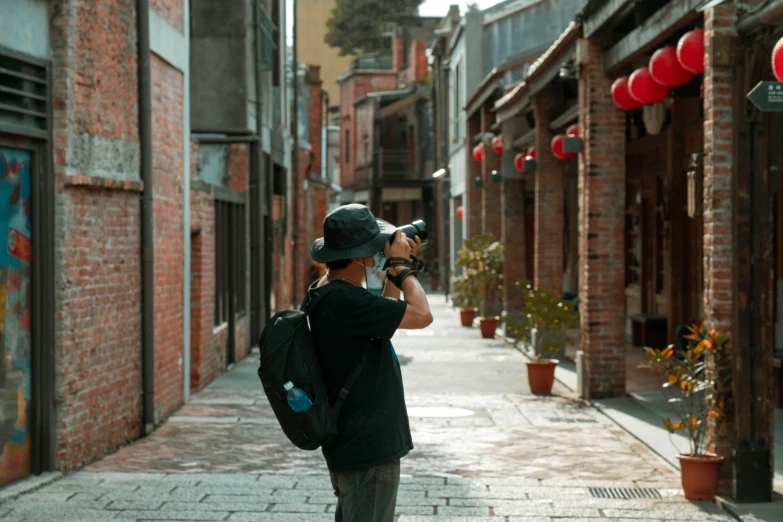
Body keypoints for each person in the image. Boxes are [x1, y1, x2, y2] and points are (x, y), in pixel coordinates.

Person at [305, 203, 433, 522]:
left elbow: (382, 321)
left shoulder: (328, 294)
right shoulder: (346, 301)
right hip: (368, 448)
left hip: (353, 442)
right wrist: (403, 267)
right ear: (362, 256)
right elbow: (422, 316)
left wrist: (392, 272)